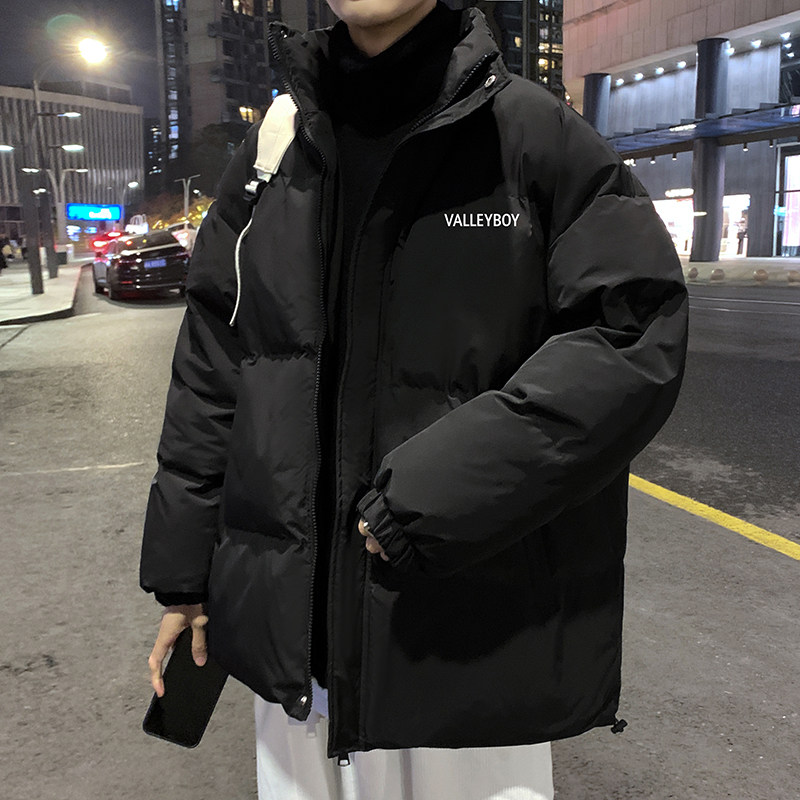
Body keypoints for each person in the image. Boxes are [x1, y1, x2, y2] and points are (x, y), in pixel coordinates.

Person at [140, 1, 689, 798]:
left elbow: (633, 334)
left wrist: (433, 497)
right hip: (296, 655)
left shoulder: (531, 135)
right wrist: (186, 575)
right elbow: (215, 365)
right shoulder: (273, 151)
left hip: (467, 634)